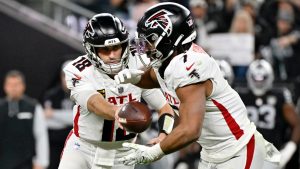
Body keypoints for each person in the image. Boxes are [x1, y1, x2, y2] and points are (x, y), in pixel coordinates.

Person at [114, 2, 281, 168]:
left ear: (171, 38)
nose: (145, 47)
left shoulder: (188, 66)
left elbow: (191, 129)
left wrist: (154, 151)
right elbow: (154, 76)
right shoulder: (170, 59)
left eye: (150, 40)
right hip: (213, 153)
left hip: (237, 150)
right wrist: (134, 77)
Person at [58, 13, 174, 169]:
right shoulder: (78, 70)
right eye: (105, 50)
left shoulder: (138, 63)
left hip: (123, 154)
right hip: (83, 149)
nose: (112, 55)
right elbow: (93, 102)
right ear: (92, 50)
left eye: (116, 48)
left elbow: (165, 108)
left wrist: (164, 135)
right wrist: (119, 112)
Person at [238, 59, 300, 169]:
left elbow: (297, 124)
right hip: (245, 153)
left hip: (272, 153)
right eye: (255, 78)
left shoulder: (279, 96)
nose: (259, 82)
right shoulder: (240, 95)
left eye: (263, 78)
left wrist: (289, 149)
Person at [0, 70, 49, 169]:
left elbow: (41, 136)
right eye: (10, 84)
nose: (13, 88)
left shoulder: (34, 107)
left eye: (16, 84)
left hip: (26, 162)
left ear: (23, 86)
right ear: (5, 86)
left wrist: (41, 162)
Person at [42, 61, 74, 169]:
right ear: (61, 76)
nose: (67, 78)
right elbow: (47, 122)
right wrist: (68, 118)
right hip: (54, 143)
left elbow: (78, 118)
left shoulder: (82, 94)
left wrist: (54, 114)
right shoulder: (51, 94)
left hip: (75, 144)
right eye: (65, 75)